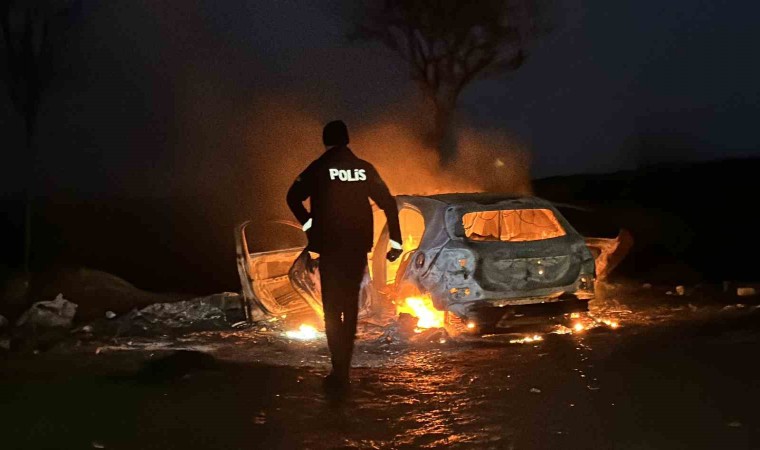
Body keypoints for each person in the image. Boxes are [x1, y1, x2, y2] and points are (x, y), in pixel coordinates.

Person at [287, 120, 402, 389]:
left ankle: (338, 370)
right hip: (356, 248)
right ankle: (345, 370)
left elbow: (292, 197)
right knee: (350, 309)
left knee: (332, 309)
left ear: (325, 140)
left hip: (330, 248)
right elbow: (389, 204)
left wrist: (309, 225)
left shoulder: (319, 167)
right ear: (347, 140)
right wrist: (395, 242)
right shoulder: (364, 169)